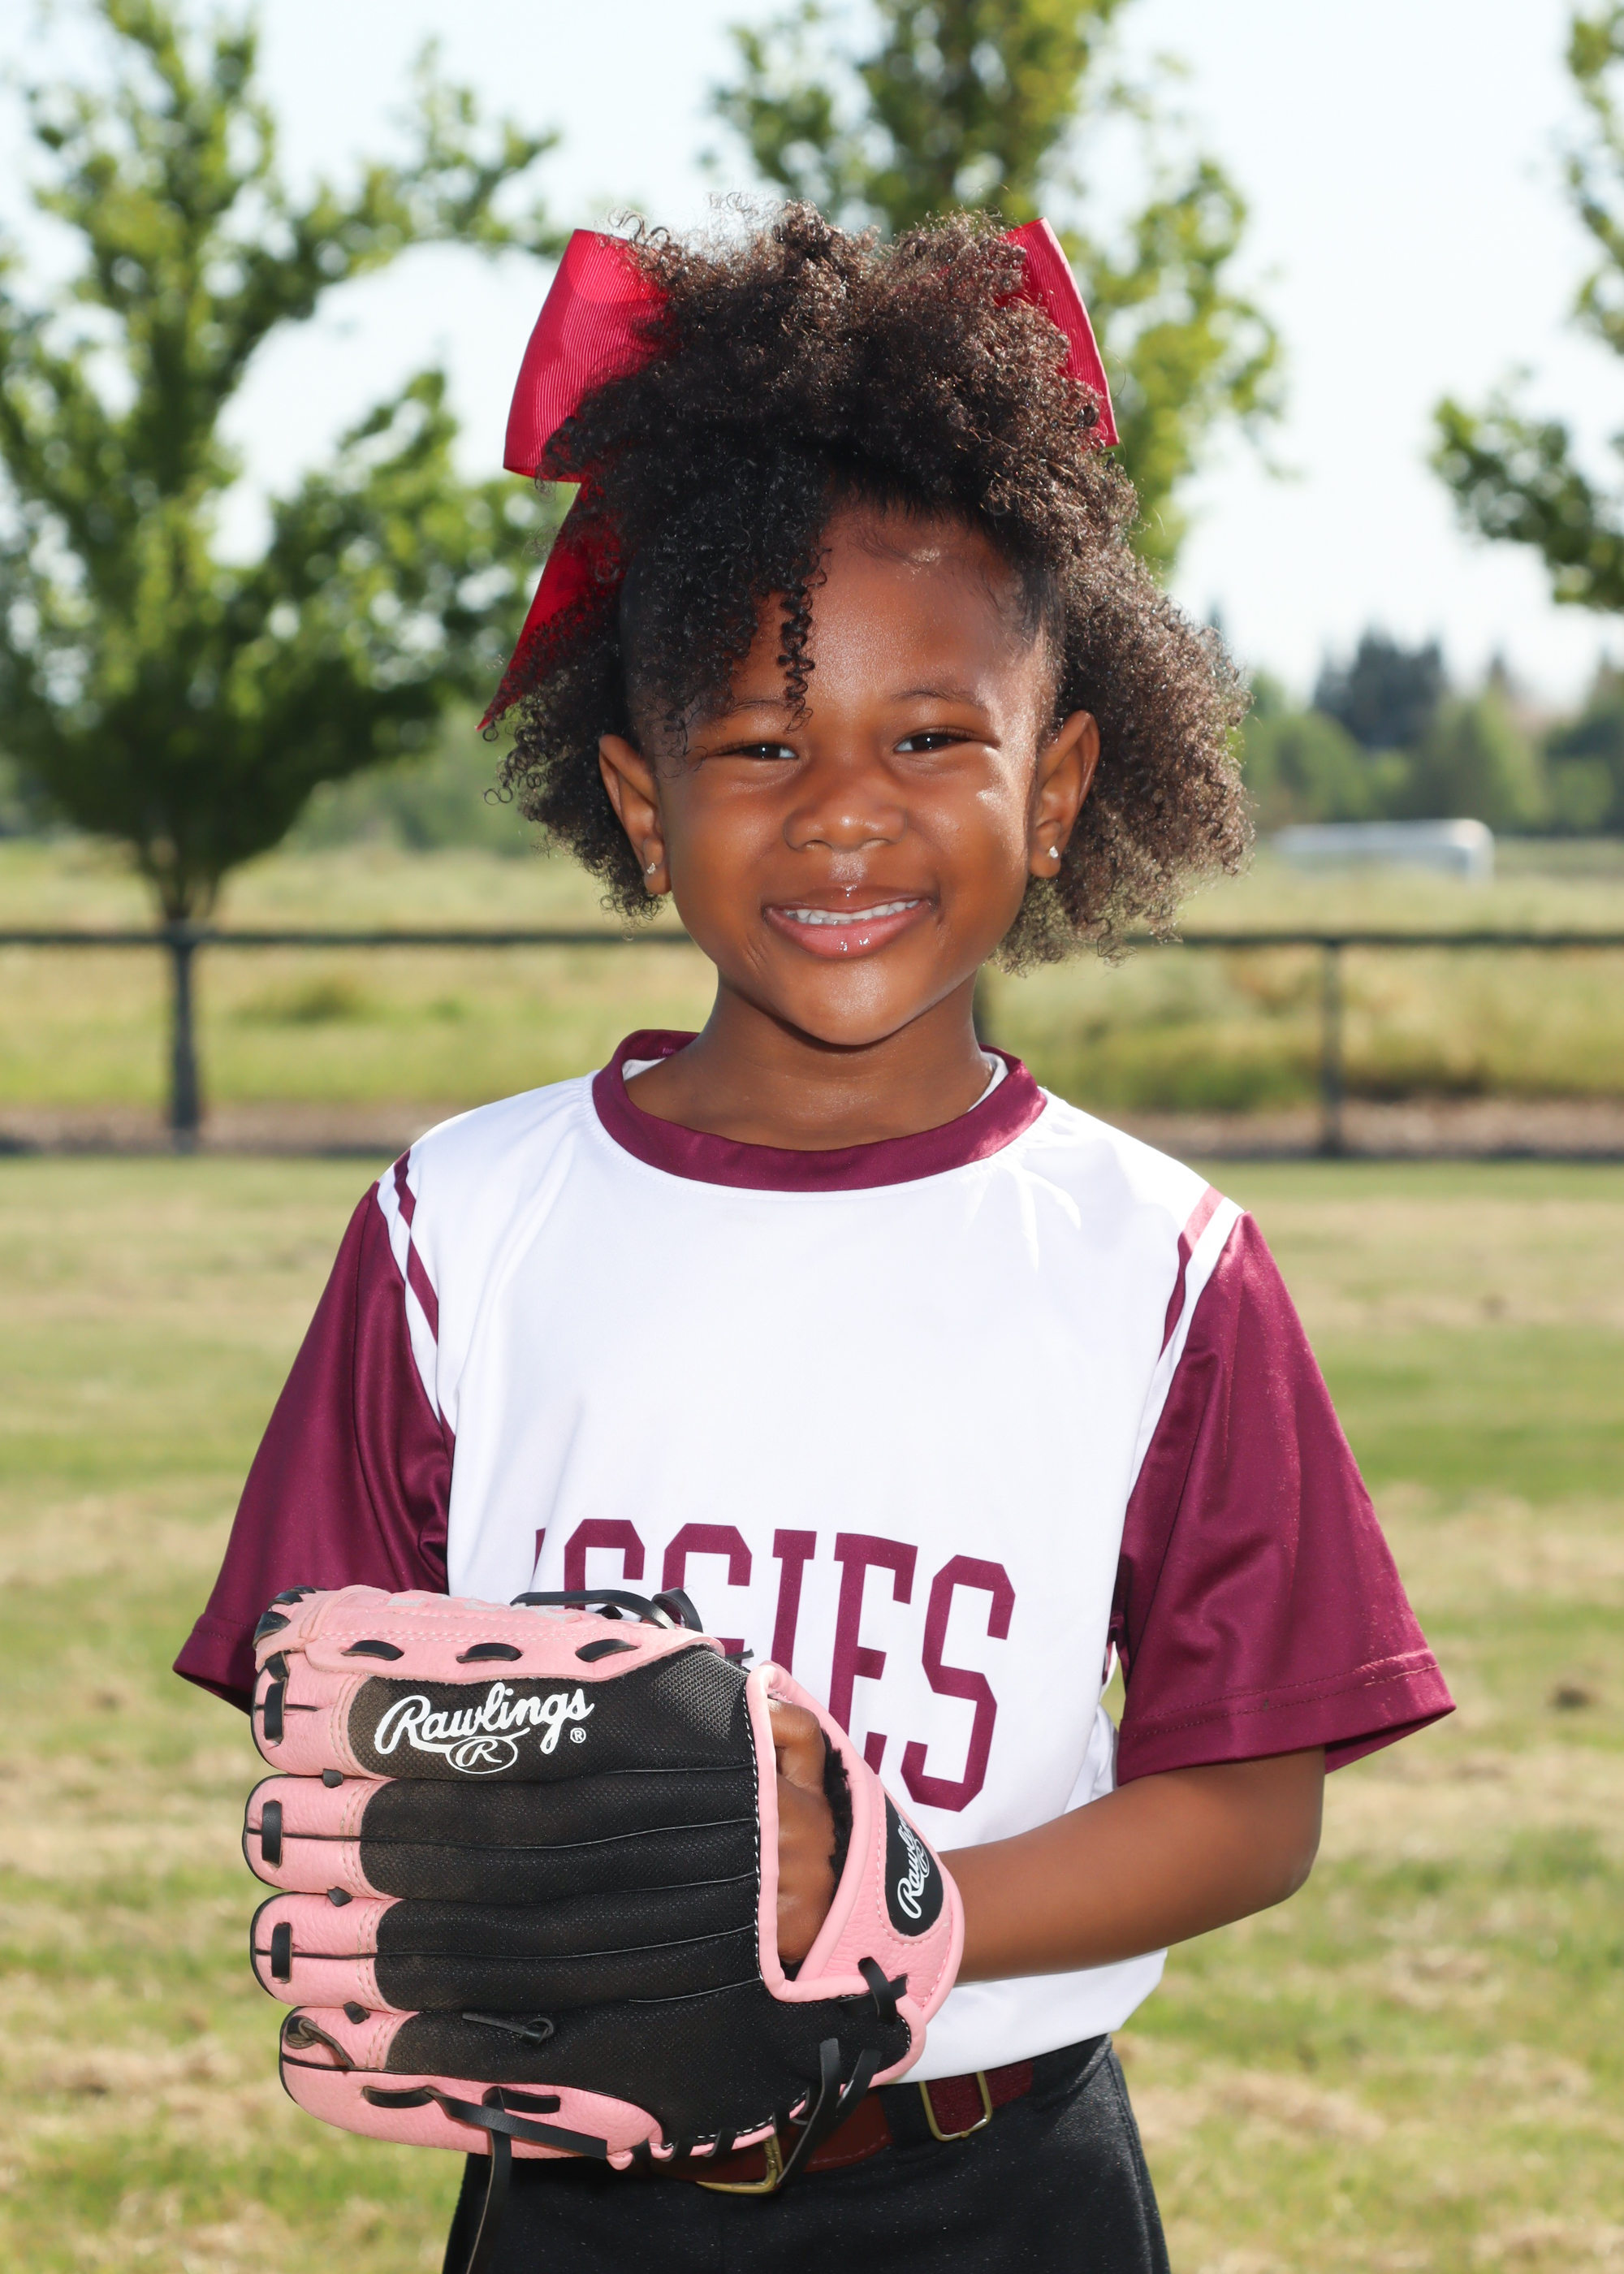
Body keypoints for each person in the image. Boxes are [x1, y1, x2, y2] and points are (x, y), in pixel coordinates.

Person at [177, 208, 1453, 2273]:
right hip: (586, 2197)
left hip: (1003, 2181)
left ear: (1057, 781)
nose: (843, 810)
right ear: (642, 800)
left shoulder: (1157, 1260)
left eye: (930, 736)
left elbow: (1251, 1799)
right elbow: (333, 1708)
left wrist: (895, 1899)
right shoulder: (458, 1223)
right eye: (760, 744)